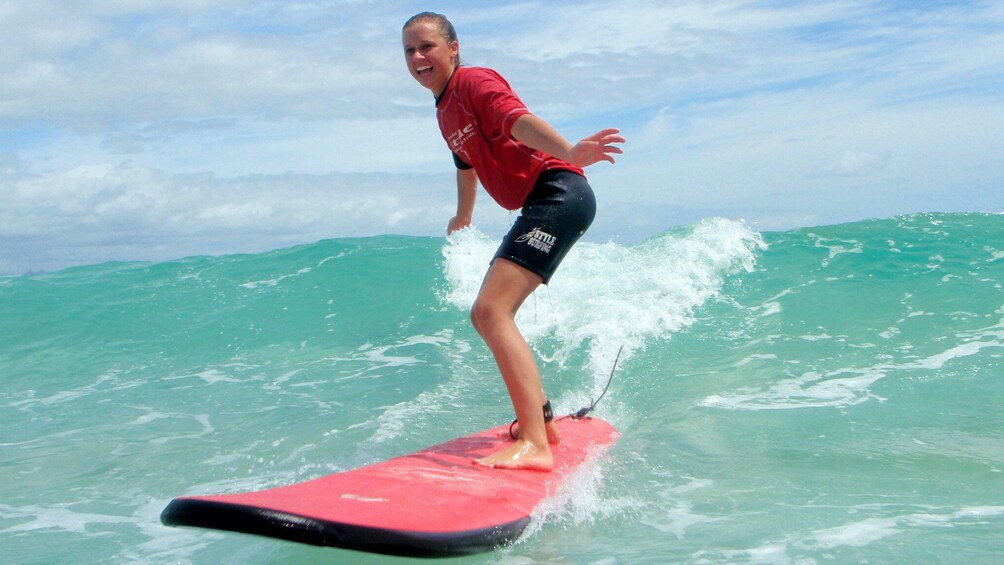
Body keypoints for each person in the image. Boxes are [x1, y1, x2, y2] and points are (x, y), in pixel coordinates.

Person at [402, 12, 624, 471]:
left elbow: (516, 120)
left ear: (453, 49)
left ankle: (537, 446)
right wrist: (464, 215)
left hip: (558, 192)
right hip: (541, 202)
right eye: (409, 51)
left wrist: (568, 151)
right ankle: (540, 422)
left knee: (491, 310)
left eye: (427, 46)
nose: (419, 58)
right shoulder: (444, 109)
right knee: (483, 316)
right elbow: (465, 163)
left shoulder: (474, 83)